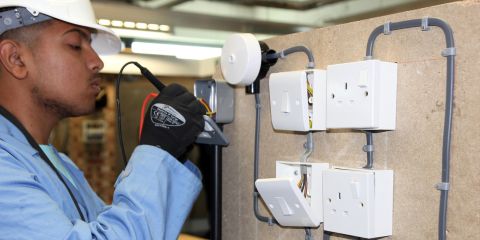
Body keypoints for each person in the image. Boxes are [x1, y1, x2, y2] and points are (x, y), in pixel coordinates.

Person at [0, 0, 206, 239]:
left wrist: (172, 154)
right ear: (15, 59)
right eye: (75, 45)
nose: (97, 61)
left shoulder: (59, 164)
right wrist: (158, 150)